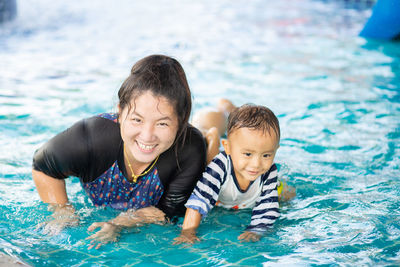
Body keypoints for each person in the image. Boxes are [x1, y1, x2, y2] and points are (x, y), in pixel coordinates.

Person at [32, 54, 207, 249]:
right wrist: (62, 210)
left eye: (162, 123)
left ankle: (216, 120)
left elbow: (165, 212)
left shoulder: (189, 151)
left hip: (198, 140)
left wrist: (119, 224)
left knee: (209, 136)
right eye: (137, 120)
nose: (147, 136)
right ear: (120, 112)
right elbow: (42, 167)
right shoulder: (90, 138)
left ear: (181, 122)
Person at [174, 104, 289, 244]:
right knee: (208, 161)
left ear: (276, 150)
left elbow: (268, 207)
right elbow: (200, 200)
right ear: (227, 147)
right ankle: (213, 136)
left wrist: (255, 230)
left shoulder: (269, 170)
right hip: (221, 175)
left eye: (266, 155)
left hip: (245, 195)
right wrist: (188, 233)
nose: (256, 164)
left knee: (287, 194)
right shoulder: (220, 166)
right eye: (248, 154)